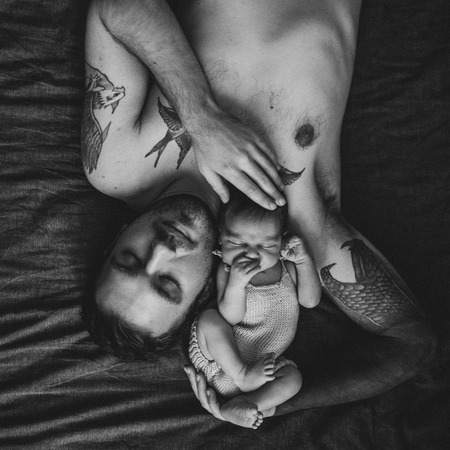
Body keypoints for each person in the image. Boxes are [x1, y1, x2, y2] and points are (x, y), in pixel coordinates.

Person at [81, 0, 434, 417]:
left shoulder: (115, 166)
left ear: (115, 241)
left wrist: (201, 116)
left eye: (130, 259)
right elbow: (413, 343)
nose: (161, 249)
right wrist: (262, 405)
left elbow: (116, 7)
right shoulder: (297, 226)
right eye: (168, 284)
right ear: (202, 296)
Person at [188, 191, 321, 428]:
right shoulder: (227, 271)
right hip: (223, 360)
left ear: (281, 242)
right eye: (237, 243)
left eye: (266, 245)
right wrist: (237, 284)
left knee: (293, 379)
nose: (250, 253)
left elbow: (310, 301)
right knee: (209, 319)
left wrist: (304, 261)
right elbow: (230, 316)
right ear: (221, 238)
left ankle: (245, 404)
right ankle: (241, 376)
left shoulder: (287, 268)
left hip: (264, 369)